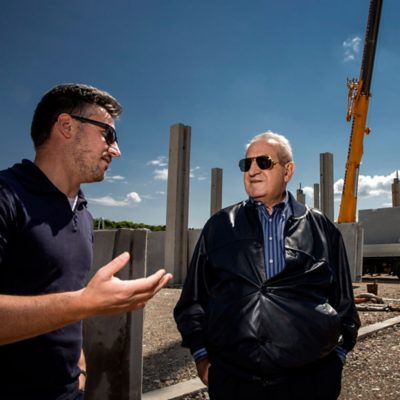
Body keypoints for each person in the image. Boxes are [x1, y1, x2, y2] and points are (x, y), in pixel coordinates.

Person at [0, 83, 172, 400]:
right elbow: (77, 301)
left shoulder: (82, 213)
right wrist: (86, 303)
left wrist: (79, 368)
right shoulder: (6, 197)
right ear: (66, 126)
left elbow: (64, 300)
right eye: (108, 134)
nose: (116, 150)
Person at [174, 131, 360, 400]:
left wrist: (337, 358)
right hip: (235, 381)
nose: (252, 171)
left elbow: (344, 304)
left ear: (288, 171)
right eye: (245, 164)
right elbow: (192, 300)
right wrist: (202, 355)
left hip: (311, 381)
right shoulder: (220, 226)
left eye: (263, 162)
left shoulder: (322, 228)